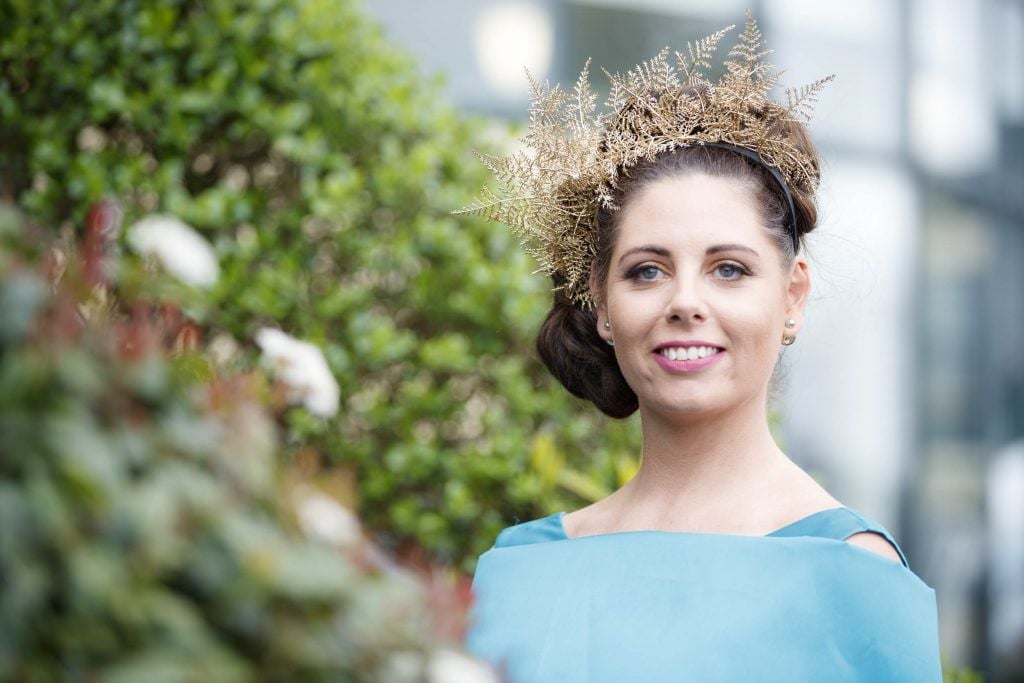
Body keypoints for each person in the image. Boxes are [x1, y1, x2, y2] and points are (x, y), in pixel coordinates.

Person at [456, 10, 942, 682]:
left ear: (791, 296)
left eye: (729, 269)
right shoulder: (518, 567)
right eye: (647, 269)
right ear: (601, 302)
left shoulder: (853, 573)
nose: (685, 301)